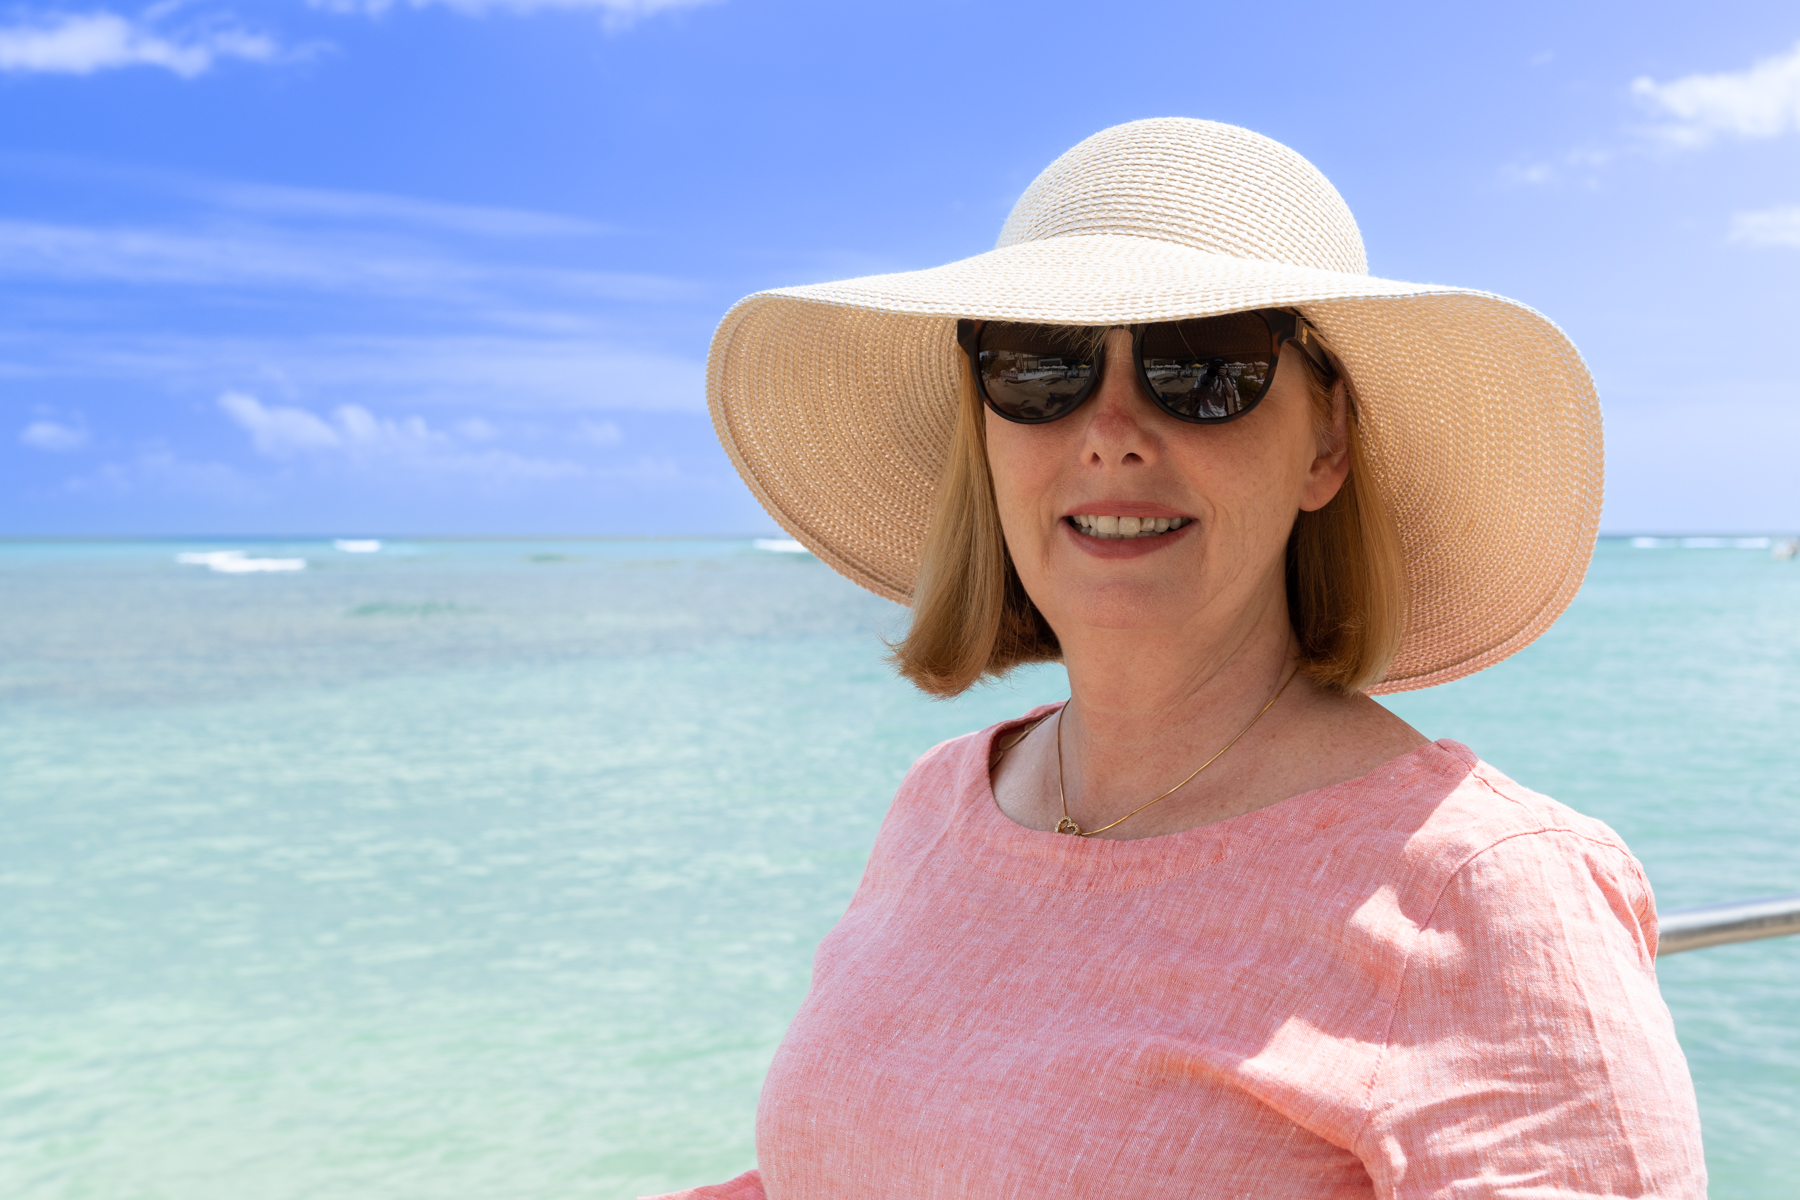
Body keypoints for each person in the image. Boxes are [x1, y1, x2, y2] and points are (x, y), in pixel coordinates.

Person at [653, 118, 1706, 1199]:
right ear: (986, 429)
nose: (1110, 429)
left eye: (1203, 367)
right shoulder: (939, 803)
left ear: (1326, 443)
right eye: (1041, 367)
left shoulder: (1480, 892)